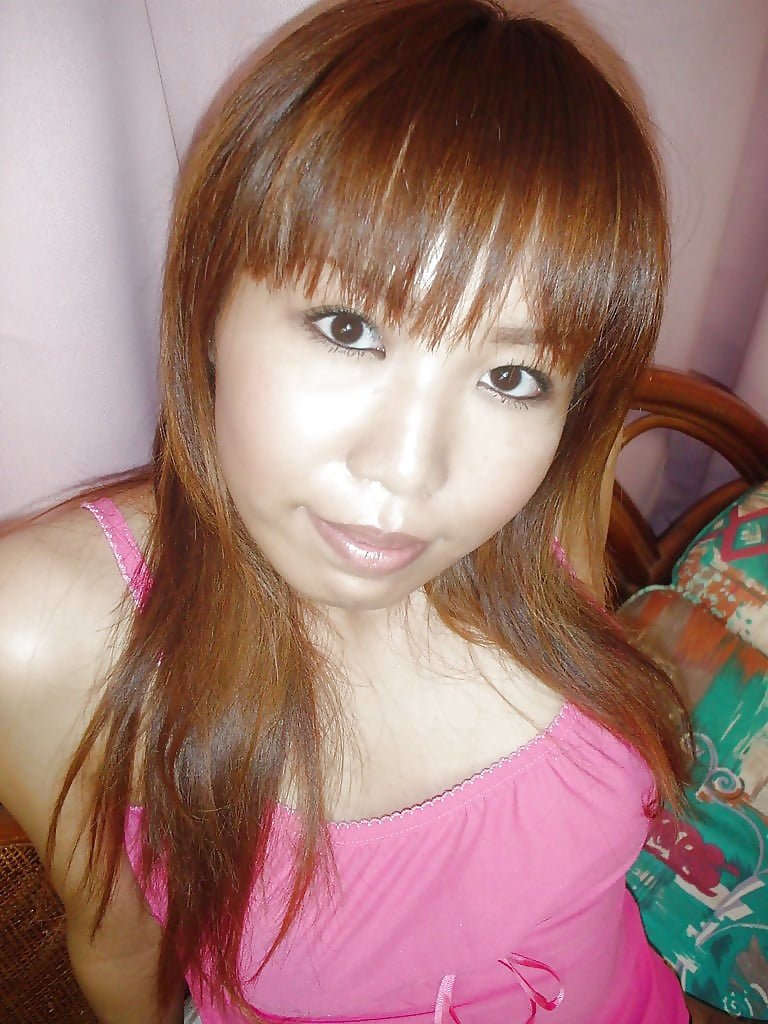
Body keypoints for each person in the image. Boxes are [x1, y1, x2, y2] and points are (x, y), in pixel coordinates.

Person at [0, 1, 727, 1021]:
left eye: (512, 377)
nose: (411, 470)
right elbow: (122, 954)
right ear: (209, 303)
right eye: (348, 327)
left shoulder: (531, 501)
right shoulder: (48, 630)